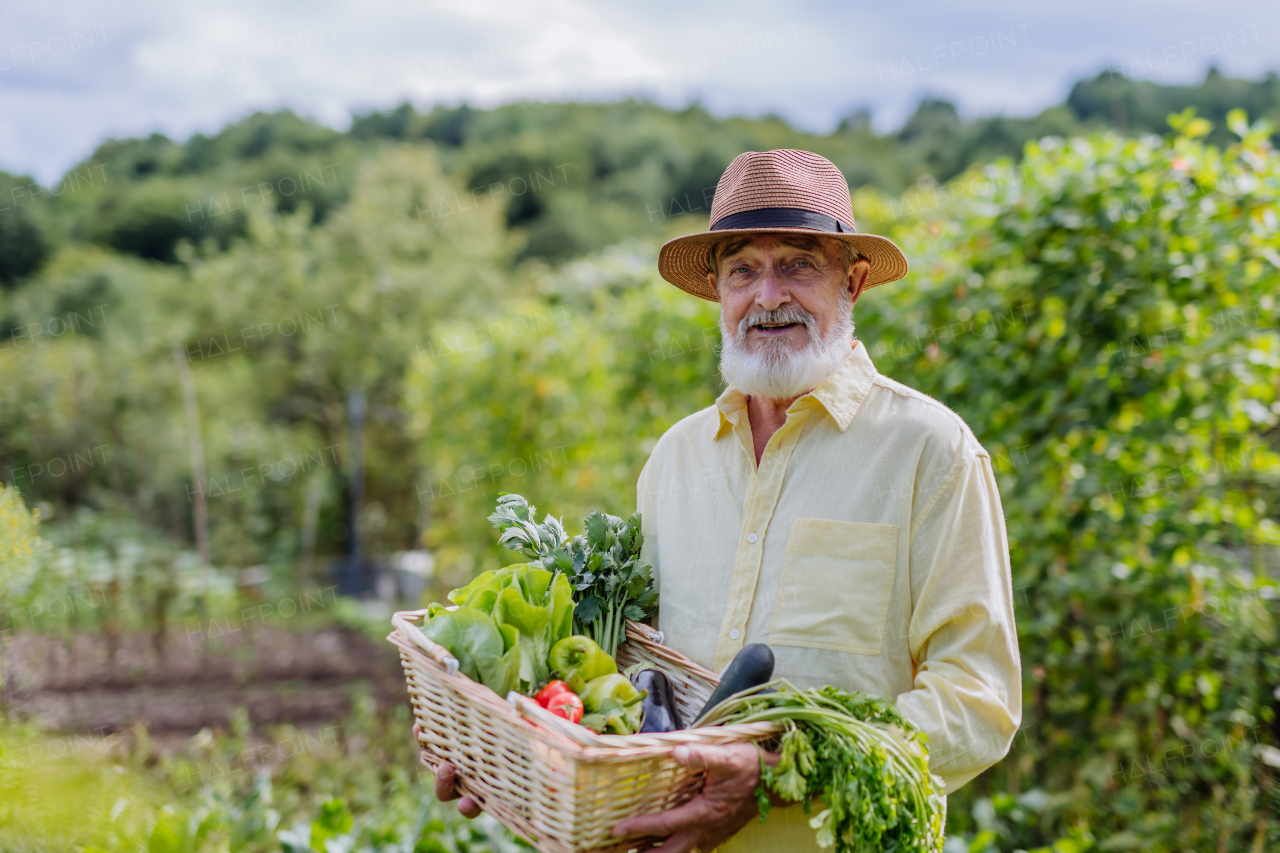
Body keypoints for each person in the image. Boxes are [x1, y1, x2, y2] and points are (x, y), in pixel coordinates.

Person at [428, 149, 1023, 852]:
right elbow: (628, 673)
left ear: (853, 282)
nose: (768, 295)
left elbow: (977, 701)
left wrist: (780, 772)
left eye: (798, 264)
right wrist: (512, 742)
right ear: (717, 290)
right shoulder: (676, 459)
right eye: (743, 269)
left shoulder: (931, 452)